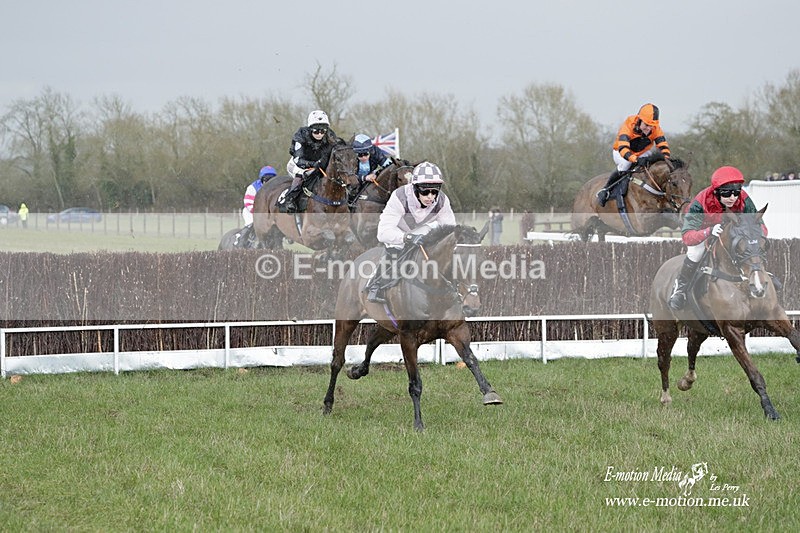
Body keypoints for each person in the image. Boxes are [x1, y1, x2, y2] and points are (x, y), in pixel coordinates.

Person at [668, 165, 765, 310]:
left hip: (735, 235)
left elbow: (761, 226)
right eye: (727, 194)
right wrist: (708, 231)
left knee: (752, 246)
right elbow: (687, 236)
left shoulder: (743, 198)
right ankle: (680, 290)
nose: (732, 197)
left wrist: (755, 236)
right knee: (695, 253)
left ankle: (763, 277)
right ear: (716, 192)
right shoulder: (700, 202)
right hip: (703, 234)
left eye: (736, 193)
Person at [365, 161, 457, 303]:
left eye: (434, 191)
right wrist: (406, 237)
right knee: (395, 247)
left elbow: (451, 230)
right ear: (415, 188)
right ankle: (376, 284)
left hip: (424, 233)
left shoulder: (442, 200)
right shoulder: (399, 196)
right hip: (399, 233)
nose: (430, 197)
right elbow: (383, 232)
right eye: (425, 191)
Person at [597, 103, 672, 207]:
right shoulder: (629, 124)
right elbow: (623, 148)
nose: (649, 129)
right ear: (639, 120)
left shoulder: (655, 128)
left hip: (641, 152)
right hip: (621, 152)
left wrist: (666, 161)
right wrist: (636, 160)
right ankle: (606, 190)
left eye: (651, 126)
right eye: (646, 125)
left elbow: (663, 146)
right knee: (626, 164)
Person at [281, 110, 339, 213]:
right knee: (303, 175)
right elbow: (298, 159)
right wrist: (312, 165)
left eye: (323, 131)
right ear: (310, 129)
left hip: (320, 164)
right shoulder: (300, 136)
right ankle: (290, 199)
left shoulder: (331, 136)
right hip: (299, 164)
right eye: (316, 131)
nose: (320, 134)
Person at [237, 165, 277, 246]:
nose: (269, 181)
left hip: (268, 213)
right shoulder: (253, 187)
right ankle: (240, 242)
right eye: (267, 179)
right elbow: (248, 202)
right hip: (251, 211)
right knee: (251, 224)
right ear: (262, 179)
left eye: (272, 179)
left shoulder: (276, 189)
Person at [348, 133, 392, 203]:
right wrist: (365, 177)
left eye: (366, 154)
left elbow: (389, 165)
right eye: (360, 155)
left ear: (370, 151)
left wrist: (378, 173)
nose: (363, 158)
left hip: (370, 177)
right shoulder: (349, 156)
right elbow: (348, 176)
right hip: (353, 182)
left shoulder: (375, 151)